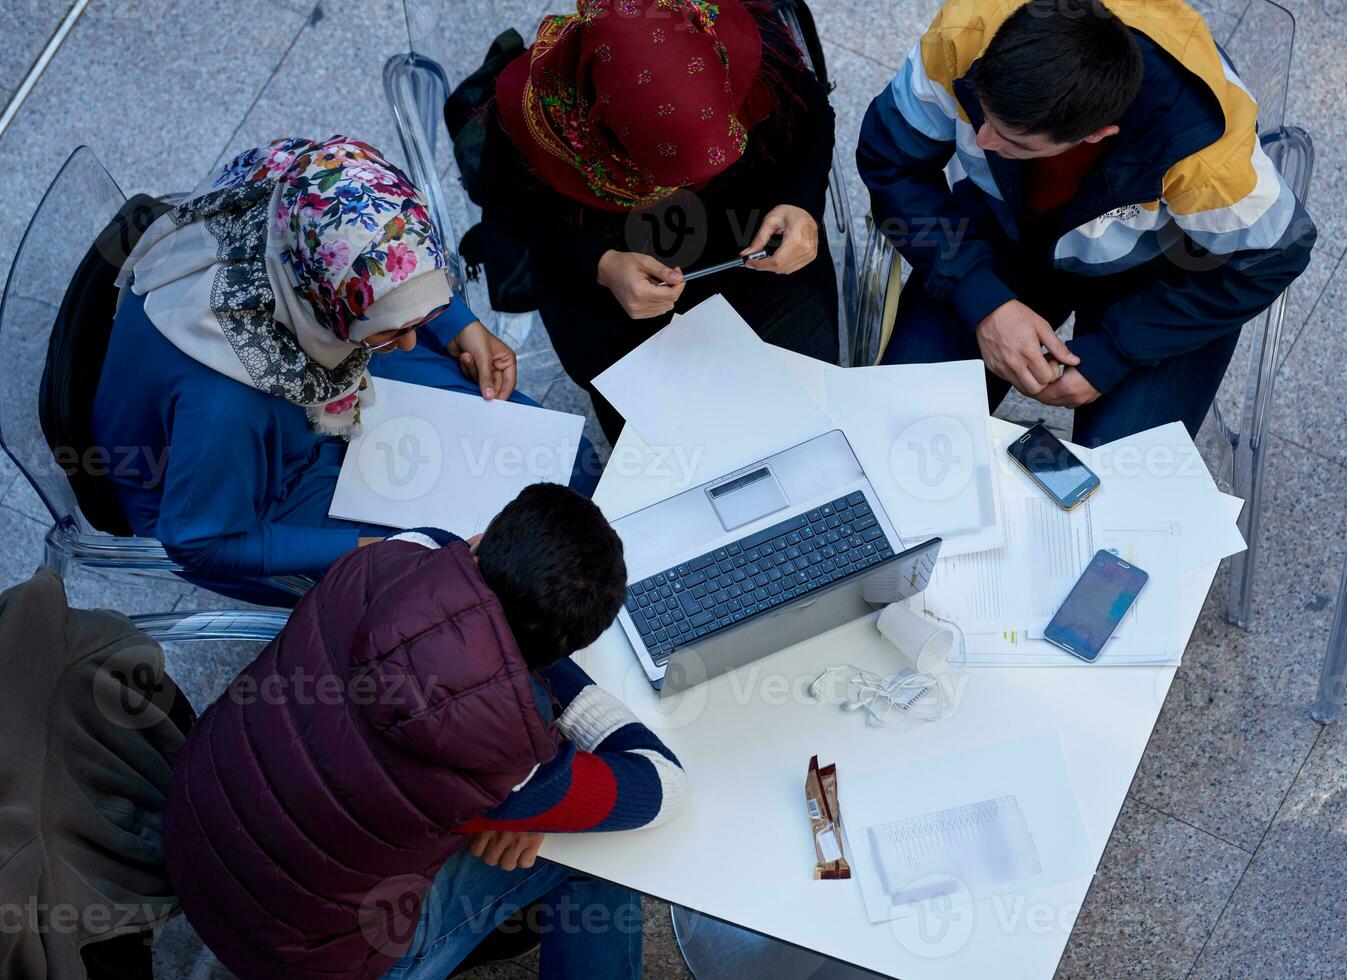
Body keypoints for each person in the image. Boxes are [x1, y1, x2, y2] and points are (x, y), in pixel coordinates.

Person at [163, 483, 683, 980]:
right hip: (309, 962)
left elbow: (444, 544)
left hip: (190, 832)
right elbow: (661, 786)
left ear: (483, 541)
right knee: (599, 858)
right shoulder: (507, 761)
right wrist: (542, 677)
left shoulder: (396, 554)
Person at [92, 137, 598, 605]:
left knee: (564, 461)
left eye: (416, 322)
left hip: (310, 395)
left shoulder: (309, 194)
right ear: (325, 300)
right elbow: (201, 543)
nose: (409, 343)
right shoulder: (225, 406)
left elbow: (385, 256)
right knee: (474, 586)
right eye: (393, 329)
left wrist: (458, 324)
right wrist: (374, 548)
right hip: (254, 491)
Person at [857, 0, 1316, 447]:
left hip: (1158, 275)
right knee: (894, 430)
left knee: (1121, 491)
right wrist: (980, 297)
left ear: (1096, 135)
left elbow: (1274, 256)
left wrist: (1118, 350)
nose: (981, 138)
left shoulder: (1204, 155)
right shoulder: (965, 34)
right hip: (1000, 234)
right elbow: (890, 163)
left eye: (1011, 139)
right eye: (982, 111)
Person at [457, 0, 841, 440]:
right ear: (602, 128)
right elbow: (508, 209)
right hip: (617, 294)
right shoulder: (538, 119)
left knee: (804, 416)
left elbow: (814, 115)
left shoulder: (745, 53)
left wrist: (802, 204)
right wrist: (601, 266)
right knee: (666, 451)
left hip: (754, 257)